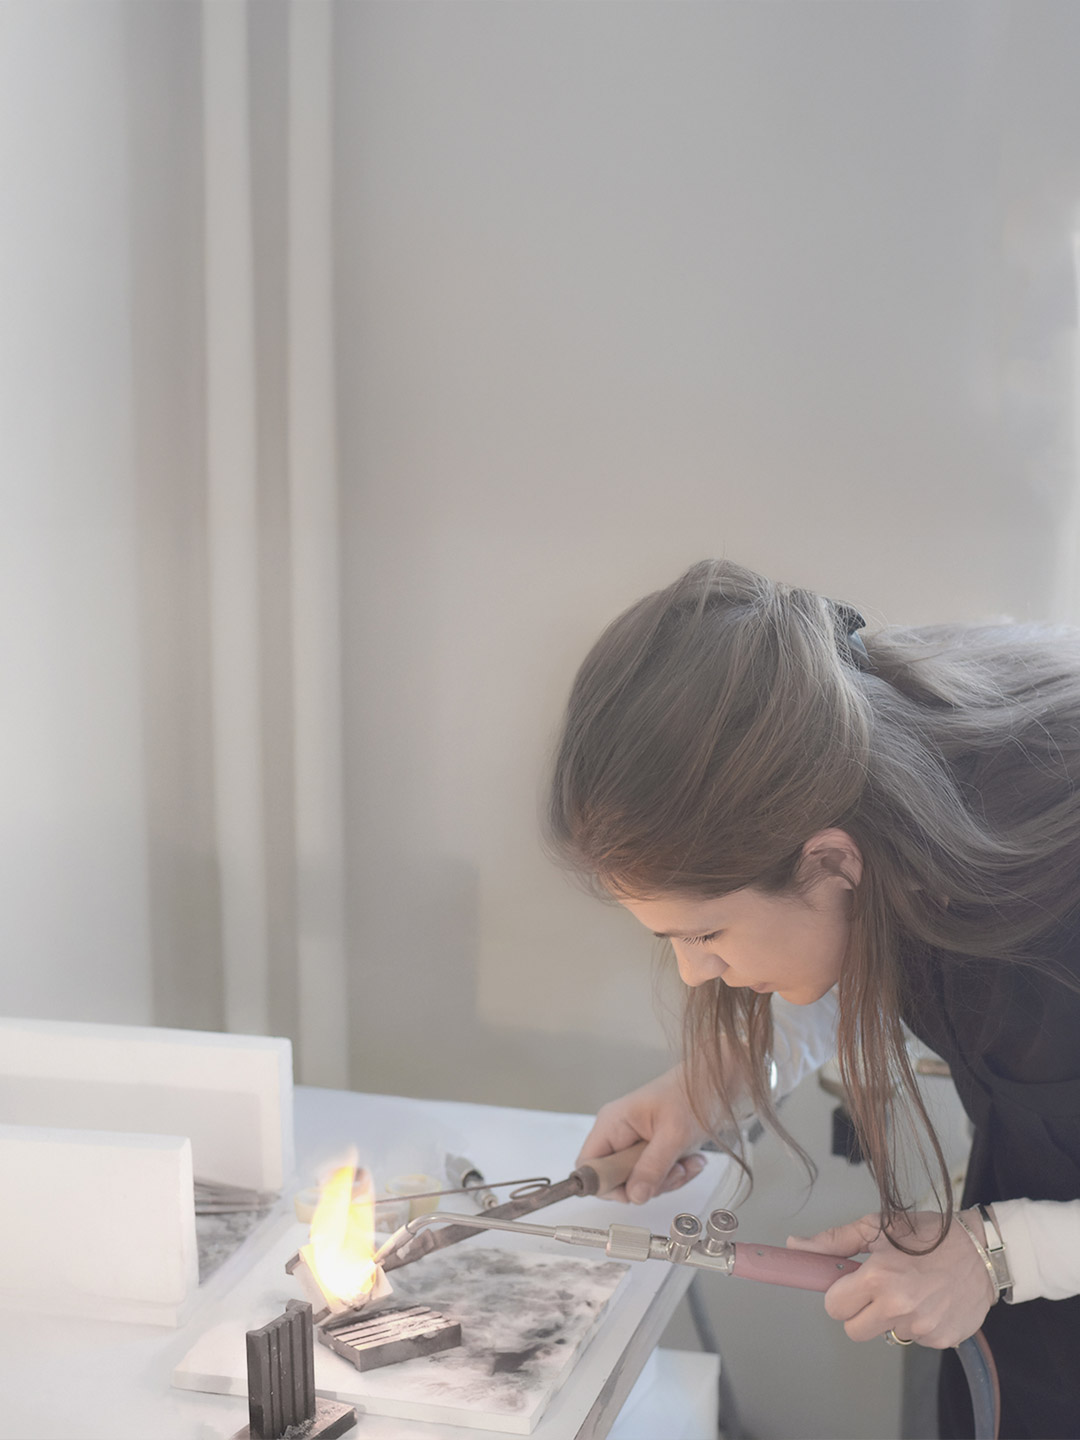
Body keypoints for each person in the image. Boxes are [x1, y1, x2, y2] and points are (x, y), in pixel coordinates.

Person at [545, 559, 1080, 1440]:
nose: (694, 975)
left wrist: (1000, 1252)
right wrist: (721, 1079)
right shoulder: (872, 760)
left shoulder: (1056, 897)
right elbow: (861, 933)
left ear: (828, 858)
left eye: (707, 934)